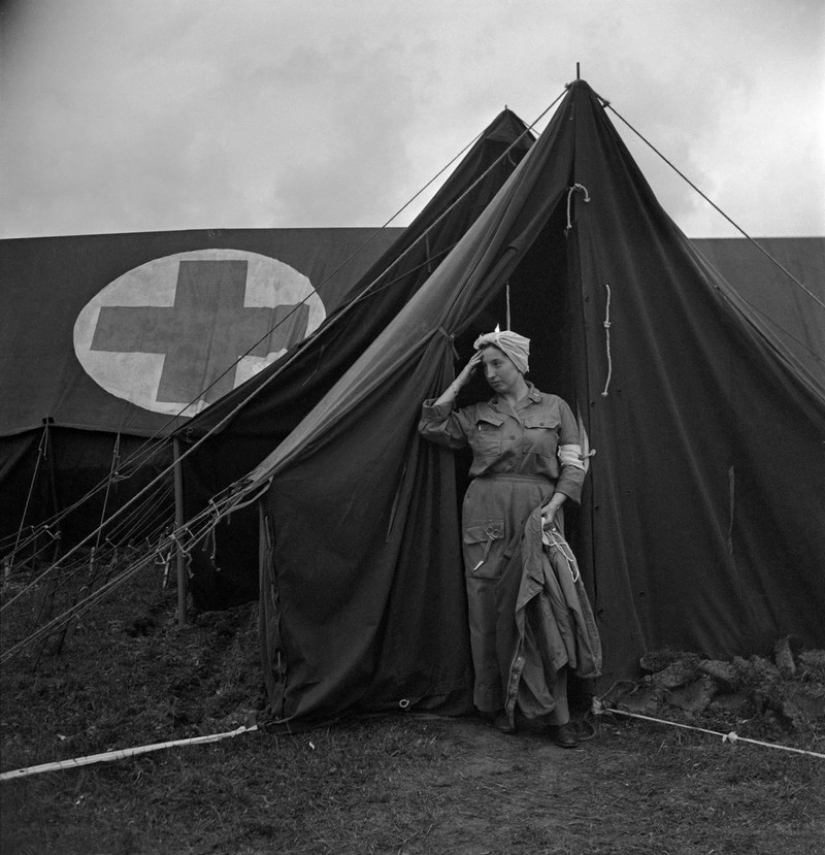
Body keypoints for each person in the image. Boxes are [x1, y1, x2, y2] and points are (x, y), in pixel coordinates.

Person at [418, 329, 598, 748]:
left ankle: (558, 716)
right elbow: (432, 424)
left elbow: (575, 461)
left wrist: (555, 505)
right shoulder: (477, 411)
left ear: (519, 362)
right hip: (485, 515)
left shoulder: (555, 407)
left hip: (539, 512)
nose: (491, 374)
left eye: (498, 363)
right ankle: (501, 707)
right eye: (485, 367)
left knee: (545, 608)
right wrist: (463, 377)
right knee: (489, 612)